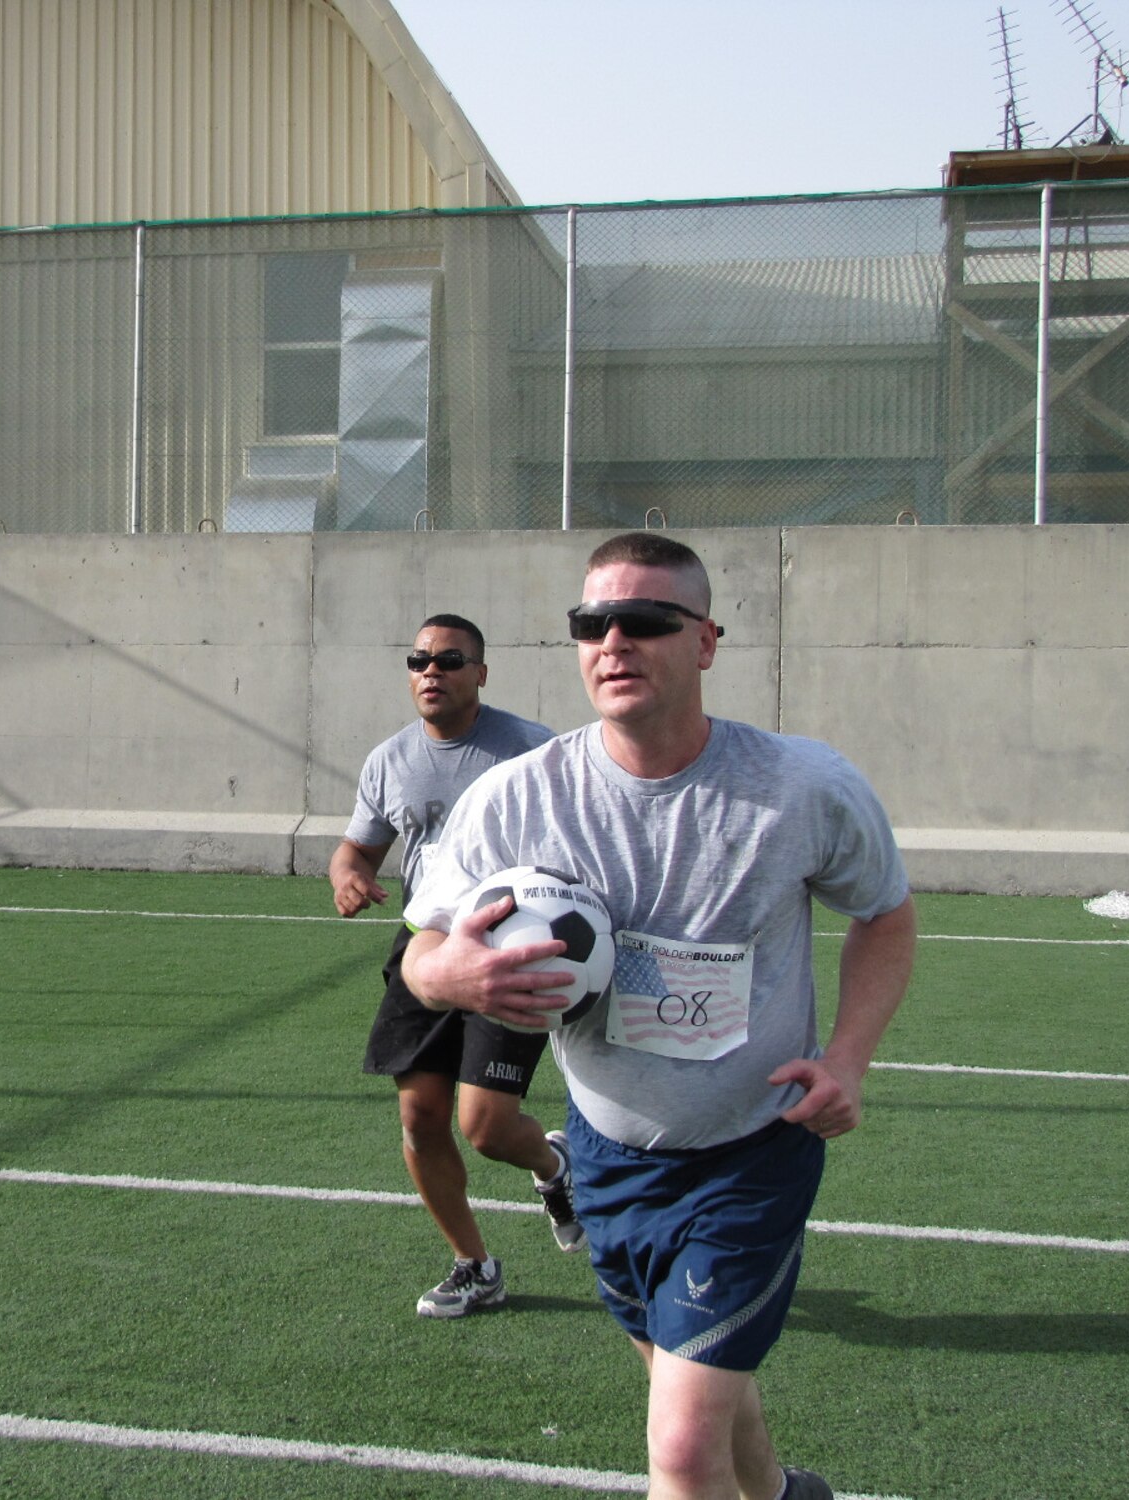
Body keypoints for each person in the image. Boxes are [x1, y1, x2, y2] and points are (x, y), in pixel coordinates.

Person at [398, 535, 916, 1500]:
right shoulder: (515, 798)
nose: (615, 642)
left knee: (678, 1449)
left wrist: (848, 1057)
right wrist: (455, 978)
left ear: (708, 641)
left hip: (752, 1151)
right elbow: (423, 953)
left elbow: (884, 910)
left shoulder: (802, 786)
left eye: (646, 621)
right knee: (699, 1388)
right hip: (606, 1155)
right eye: (593, 623)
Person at [330, 612, 580, 1320]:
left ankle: (555, 1167)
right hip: (425, 952)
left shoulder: (532, 752)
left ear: (480, 672)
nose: (430, 671)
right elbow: (357, 850)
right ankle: (475, 1265)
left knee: (488, 1128)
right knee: (419, 1116)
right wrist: (346, 875)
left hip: (508, 948)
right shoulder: (389, 759)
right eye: (417, 660)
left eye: (447, 659)